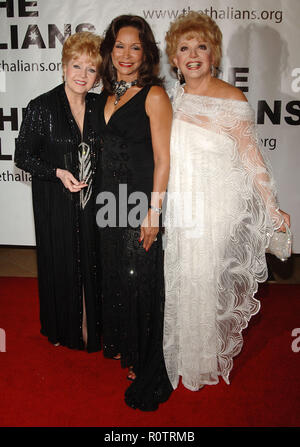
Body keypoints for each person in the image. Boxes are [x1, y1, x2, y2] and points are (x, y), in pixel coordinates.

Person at [163, 12, 291, 392]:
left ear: (214, 54)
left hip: (216, 204)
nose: (193, 54)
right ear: (173, 59)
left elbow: (253, 159)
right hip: (180, 202)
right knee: (182, 276)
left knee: (204, 276)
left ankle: (201, 362)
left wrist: (272, 207)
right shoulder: (173, 97)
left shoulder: (232, 98)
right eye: (184, 48)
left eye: (201, 46)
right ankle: (182, 352)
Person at [93, 15, 173, 410]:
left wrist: (154, 212)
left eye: (135, 47)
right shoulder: (107, 95)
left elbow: (162, 160)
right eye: (119, 46)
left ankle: (148, 363)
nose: (126, 55)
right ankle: (131, 350)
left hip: (139, 203)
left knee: (142, 283)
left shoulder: (154, 95)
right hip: (109, 203)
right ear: (109, 50)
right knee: (122, 281)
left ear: (147, 54)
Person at [14, 32, 102, 352]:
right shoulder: (42, 107)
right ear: (63, 67)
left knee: (93, 263)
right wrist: (57, 172)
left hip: (93, 205)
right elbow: (23, 156)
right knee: (62, 263)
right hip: (56, 203)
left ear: (98, 75)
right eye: (76, 66)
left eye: (90, 69)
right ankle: (64, 327)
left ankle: (93, 324)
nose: (82, 75)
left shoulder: (100, 106)